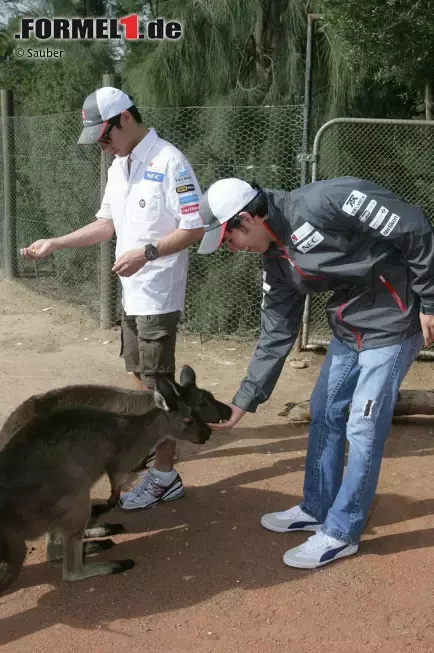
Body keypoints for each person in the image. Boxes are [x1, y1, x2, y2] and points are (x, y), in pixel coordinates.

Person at [197, 176, 434, 569]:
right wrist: (244, 400)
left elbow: (413, 226)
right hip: (350, 324)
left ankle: (342, 531)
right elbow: (276, 332)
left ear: (245, 220)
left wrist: (430, 298)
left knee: (363, 424)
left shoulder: (326, 200)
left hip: (395, 318)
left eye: (228, 239)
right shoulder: (276, 261)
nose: (231, 248)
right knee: (324, 409)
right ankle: (317, 506)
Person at [20, 87, 204, 510]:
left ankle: (165, 477)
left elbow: (194, 228)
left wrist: (148, 252)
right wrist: (56, 243)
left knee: (161, 389)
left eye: (104, 136)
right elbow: (107, 224)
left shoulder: (169, 161)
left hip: (157, 295)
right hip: (132, 295)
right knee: (139, 375)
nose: (101, 146)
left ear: (125, 119)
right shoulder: (120, 167)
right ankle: (149, 447)